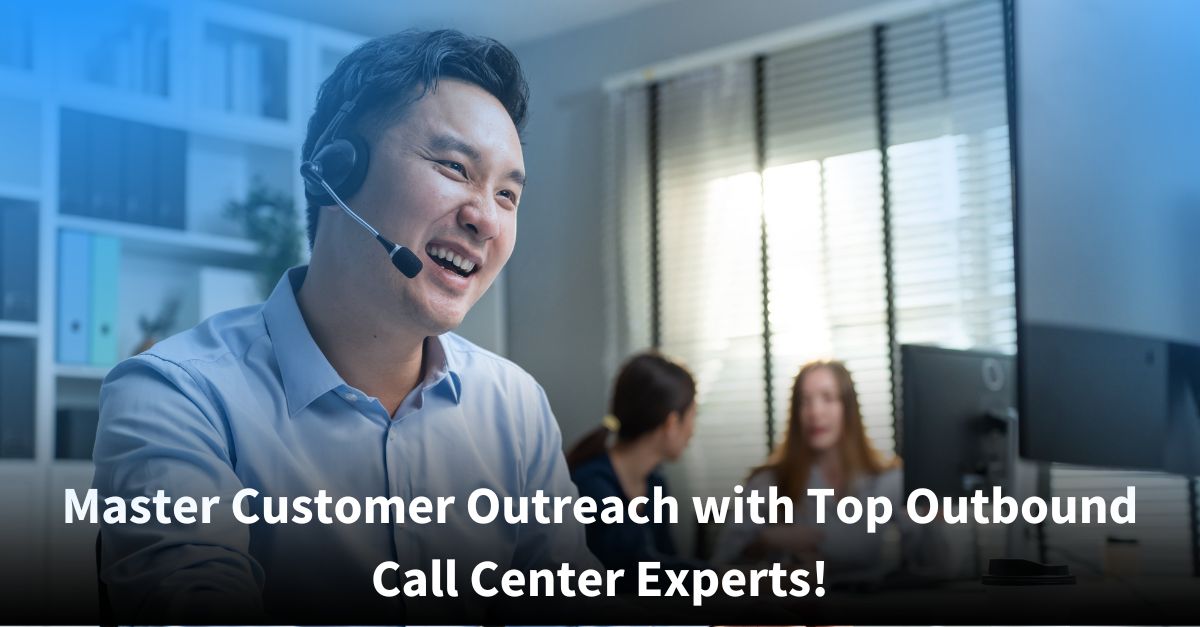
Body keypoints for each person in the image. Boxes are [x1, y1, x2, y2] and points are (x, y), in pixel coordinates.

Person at [92, 29, 598, 623]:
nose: (485, 218)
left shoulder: (515, 408)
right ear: (336, 171)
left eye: (508, 195)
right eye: (456, 168)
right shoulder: (176, 396)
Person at [712, 359, 950, 581]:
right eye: (804, 401)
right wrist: (763, 543)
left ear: (848, 408)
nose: (815, 412)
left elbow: (931, 569)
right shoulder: (768, 483)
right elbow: (720, 568)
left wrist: (933, 522)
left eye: (827, 398)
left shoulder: (889, 481)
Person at [567, 351, 702, 580]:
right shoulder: (590, 483)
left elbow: (666, 568)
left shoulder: (655, 485)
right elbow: (631, 571)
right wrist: (721, 575)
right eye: (692, 416)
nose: (693, 431)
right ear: (671, 423)